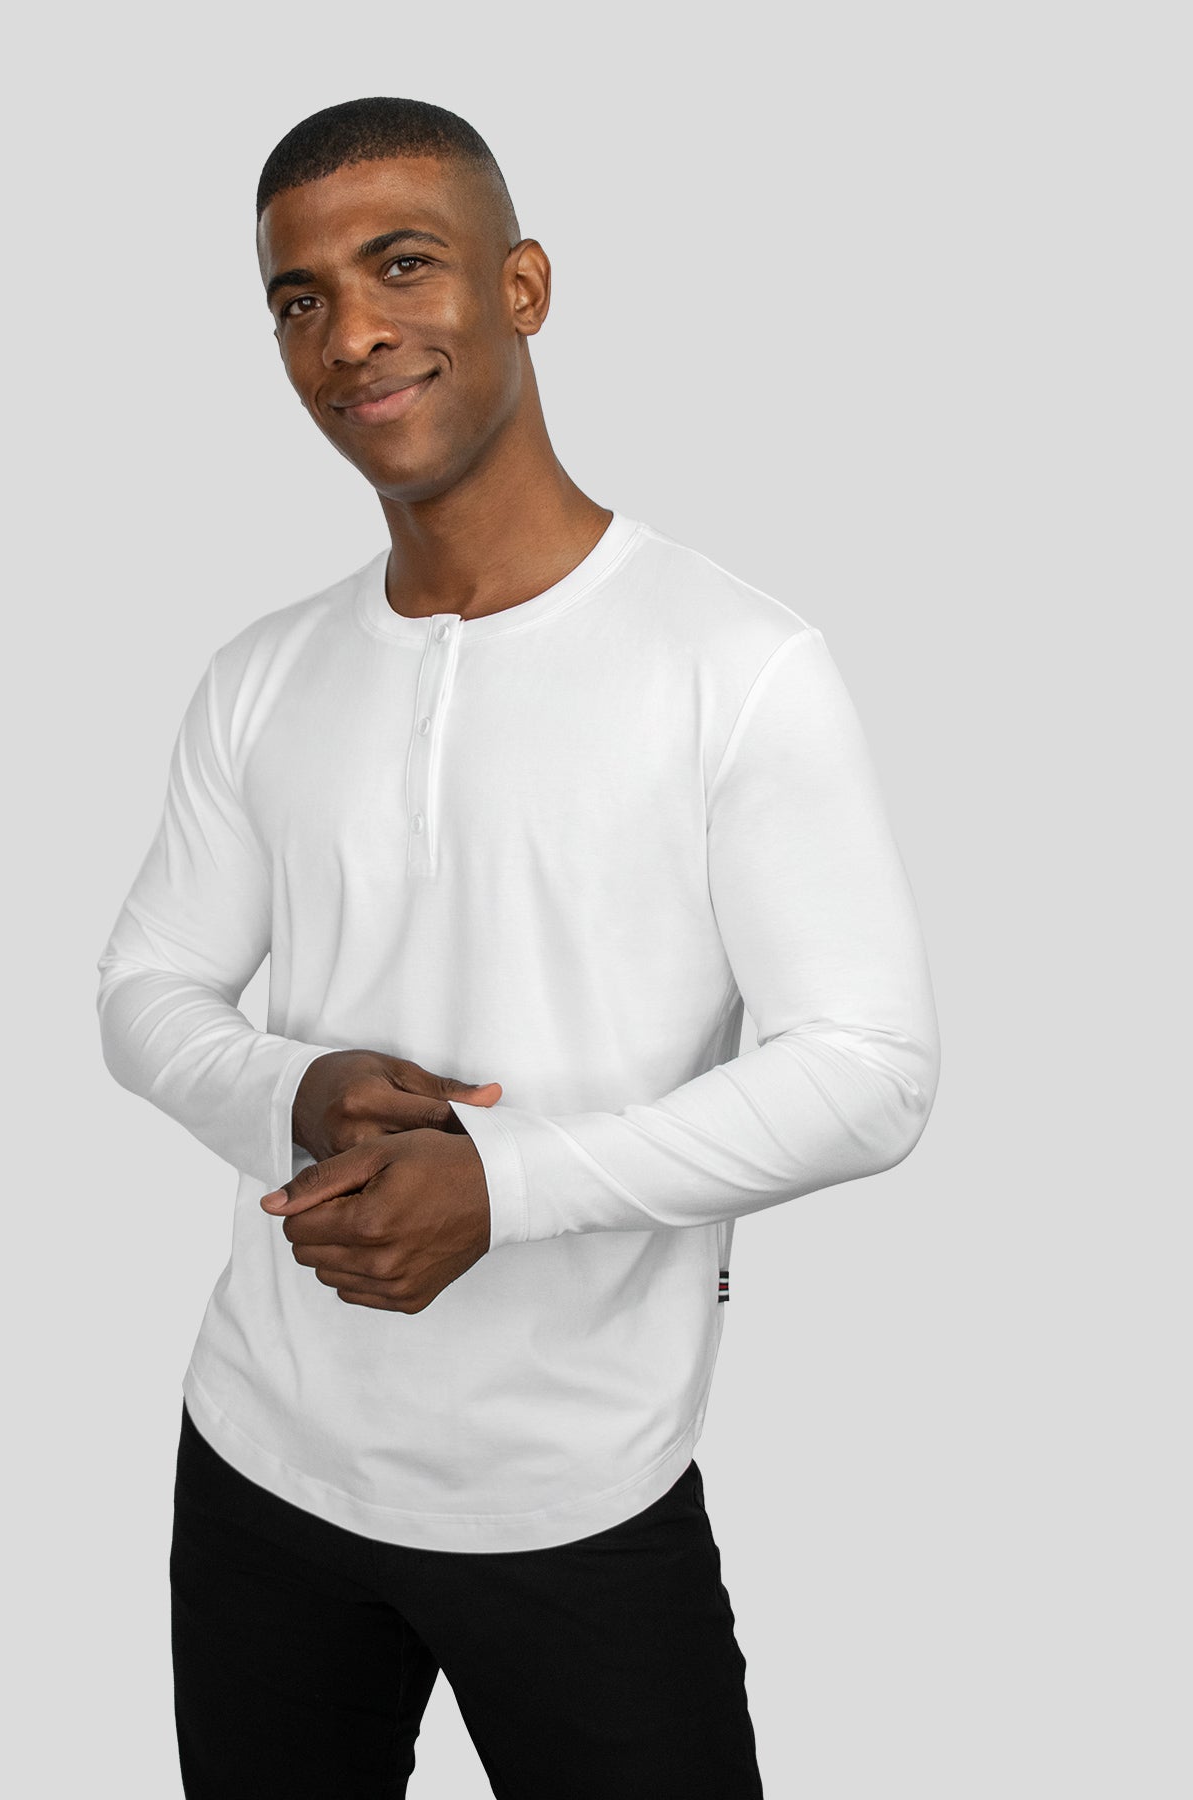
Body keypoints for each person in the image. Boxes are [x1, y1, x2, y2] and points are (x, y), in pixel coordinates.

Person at [95, 94, 940, 1800]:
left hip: (574, 1500)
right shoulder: (260, 674)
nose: (350, 332)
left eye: (401, 264)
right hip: (256, 1465)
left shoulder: (735, 664)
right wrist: (293, 1088)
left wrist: (504, 1185)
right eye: (299, 298)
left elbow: (869, 1074)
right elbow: (144, 992)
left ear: (524, 286)